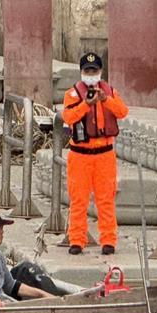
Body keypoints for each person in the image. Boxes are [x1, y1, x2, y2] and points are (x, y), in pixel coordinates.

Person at [60, 52, 129, 256]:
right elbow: (69, 116)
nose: (91, 74)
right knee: (78, 199)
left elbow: (122, 111)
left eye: (94, 71)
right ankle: (77, 240)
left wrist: (104, 99)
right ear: (81, 72)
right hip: (80, 154)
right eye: (87, 71)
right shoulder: (72, 94)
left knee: (106, 199)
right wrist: (86, 104)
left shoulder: (110, 92)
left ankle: (108, 240)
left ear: (100, 72)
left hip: (105, 155)